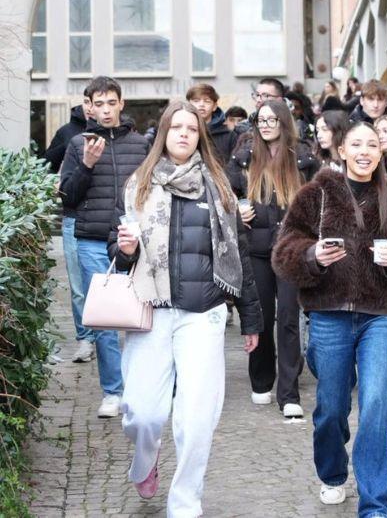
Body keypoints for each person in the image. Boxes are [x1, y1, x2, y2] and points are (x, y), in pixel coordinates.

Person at [108, 102, 263, 512]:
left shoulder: (218, 186)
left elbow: (238, 254)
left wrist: (250, 317)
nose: (183, 134)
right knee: (142, 413)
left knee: (196, 419)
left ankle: (185, 503)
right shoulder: (138, 184)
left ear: (199, 137)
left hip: (204, 314)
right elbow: (116, 249)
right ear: (163, 133)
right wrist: (125, 250)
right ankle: (145, 459)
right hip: (151, 310)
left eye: (191, 129)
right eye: (175, 127)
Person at [272, 121, 387, 513]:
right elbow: (284, 251)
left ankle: (375, 505)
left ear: (381, 152)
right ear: (341, 151)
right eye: (356, 144)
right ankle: (332, 472)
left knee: (377, 405)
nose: (364, 152)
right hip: (329, 314)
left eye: (372, 145)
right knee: (331, 408)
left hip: (381, 315)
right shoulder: (315, 195)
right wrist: (312, 256)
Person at [58, 76, 150, 418]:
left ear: (121, 104)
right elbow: (68, 197)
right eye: (99, 104)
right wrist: (86, 164)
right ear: (90, 107)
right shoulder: (77, 144)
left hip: (134, 241)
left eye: (112, 103)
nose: (106, 110)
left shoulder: (141, 145)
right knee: (105, 321)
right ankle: (113, 391)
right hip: (94, 241)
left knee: (143, 317)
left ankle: (143, 387)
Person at [228, 99, 319, 419]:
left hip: (292, 249)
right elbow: (225, 195)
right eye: (261, 120)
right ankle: (261, 378)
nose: (266, 125)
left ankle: (289, 392)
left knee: (290, 318)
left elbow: (319, 198)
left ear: (283, 122)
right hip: (256, 248)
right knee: (262, 317)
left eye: (272, 120)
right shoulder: (244, 157)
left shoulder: (303, 157)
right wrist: (237, 210)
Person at [46, 93, 96, 364]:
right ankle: (85, 338)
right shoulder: (68, 132)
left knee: (105, 284)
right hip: (74, 217)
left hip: (104, 220)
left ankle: (106, 335)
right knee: (78, 287)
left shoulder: (119, 136)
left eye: (105, 102)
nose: (95, 108)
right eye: (90, 102)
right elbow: (47, 162)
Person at [184, 84, 236, 165]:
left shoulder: (229, 135)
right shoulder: (181, 132)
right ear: (188, 104)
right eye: (196, 101)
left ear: (214, 106)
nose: (201, 104)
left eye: (207, 101)